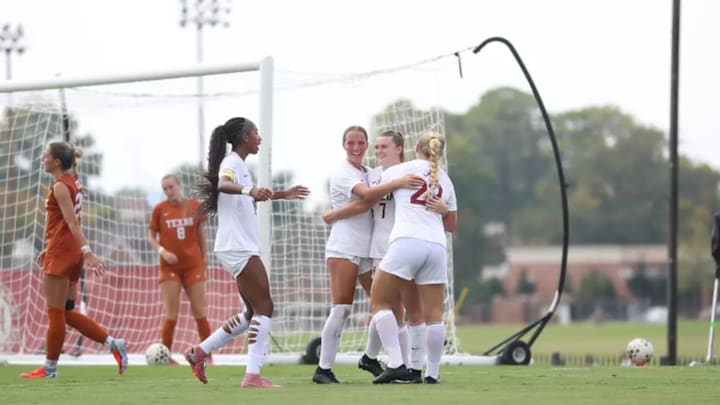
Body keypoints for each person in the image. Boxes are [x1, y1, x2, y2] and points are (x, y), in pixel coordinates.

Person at [184, 117, 309, 388]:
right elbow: (223, 185)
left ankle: (199, 352)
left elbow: (248, 195)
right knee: (266, 307)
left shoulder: (239, 164)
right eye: (256, 132)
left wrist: (282, 194)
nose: (259, 137)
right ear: (244, 138)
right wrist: (249, 188)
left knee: (253, 312)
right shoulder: (231, 164)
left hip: (236, 245)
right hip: (237, 245)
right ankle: (252, 375)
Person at [322, 130, 448, 383]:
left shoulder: (412, 172)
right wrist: (335, 215)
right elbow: (366, 202)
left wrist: (443, 209)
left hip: (403, 247)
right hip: (377, 249)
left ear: (400, 149)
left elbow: (430, 209)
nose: (379, 151)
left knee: (404, 310)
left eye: (384, 147)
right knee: (386, 307)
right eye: (377, 147)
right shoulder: (371, 175)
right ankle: (393, 364)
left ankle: (398, 365)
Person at [21, 141, 128, 379]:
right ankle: (113, 343)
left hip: (63, 252)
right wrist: (54, 247)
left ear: (56, 162)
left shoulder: (60, 186)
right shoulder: (74, 182)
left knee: (55, 314)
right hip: (69, 252)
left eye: (46, 155)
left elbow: (71, 223)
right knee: (67, 312)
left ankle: (49, 369)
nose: (42, 159)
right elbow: (65, 224)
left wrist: (88, 252)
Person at [367, 132, 457, 384]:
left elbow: (369, 195)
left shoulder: (400, 170)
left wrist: (395, 184)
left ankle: (396, 363)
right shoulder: (447, 181)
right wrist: (443, 209)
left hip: (406, 241)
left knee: (379, 301)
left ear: (416, 147)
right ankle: (431, 373)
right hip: (436, 246)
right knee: (434, 314)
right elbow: (452, 225)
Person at [147, 174, 211, 363]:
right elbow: (151, 235)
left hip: (193, 266)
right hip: (169, 269)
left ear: (179, 186)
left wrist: (204, 256)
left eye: (171, 187)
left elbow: (200, 232)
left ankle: (206, 355)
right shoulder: (160, 209)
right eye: (165, 189)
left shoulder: (194, 206)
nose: (168, 192)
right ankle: (165, 356)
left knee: (200, 311)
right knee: (171, 313)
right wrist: (162, 251)